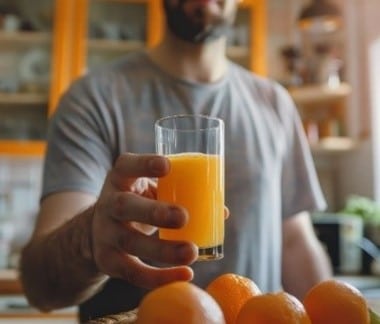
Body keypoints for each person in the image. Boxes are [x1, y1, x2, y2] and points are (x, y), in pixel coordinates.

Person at [20, 0, 333, 321]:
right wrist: (89, 237)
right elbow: (41, 287)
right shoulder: (93, 99)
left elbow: (295, 242)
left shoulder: (275, 103)